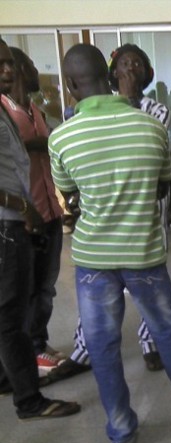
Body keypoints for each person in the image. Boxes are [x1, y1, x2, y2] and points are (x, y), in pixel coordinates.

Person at [48, 44, 171, 443]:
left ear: (70, 85)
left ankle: (122, 431)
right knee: (167, 330)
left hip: (92, 261)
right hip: (144, 253)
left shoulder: (61, 137)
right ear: (108, 78)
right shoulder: (151, 128)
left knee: (103, 344)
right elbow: (162, 187)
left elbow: (69, 196)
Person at [0, 38, 82, 428]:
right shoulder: (6, 111)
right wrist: (21, 206)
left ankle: (27, 357)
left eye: (14, 64)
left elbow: (50, 147)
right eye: (10, 64)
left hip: (41, 210)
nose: (16, 70)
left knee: (40, 289)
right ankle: (29, 382)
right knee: (16, 304)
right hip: (16, 218)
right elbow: (44, 145)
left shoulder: (32, 109)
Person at [1, 47, 66, 376]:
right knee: (26, 289)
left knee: (46, 285)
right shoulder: (5, 111)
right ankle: (30, 351)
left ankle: (38, 341)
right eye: (28, 65)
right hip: (24, 214)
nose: (34, 72)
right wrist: (41, 145)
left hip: (49, 208)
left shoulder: (35, 110)